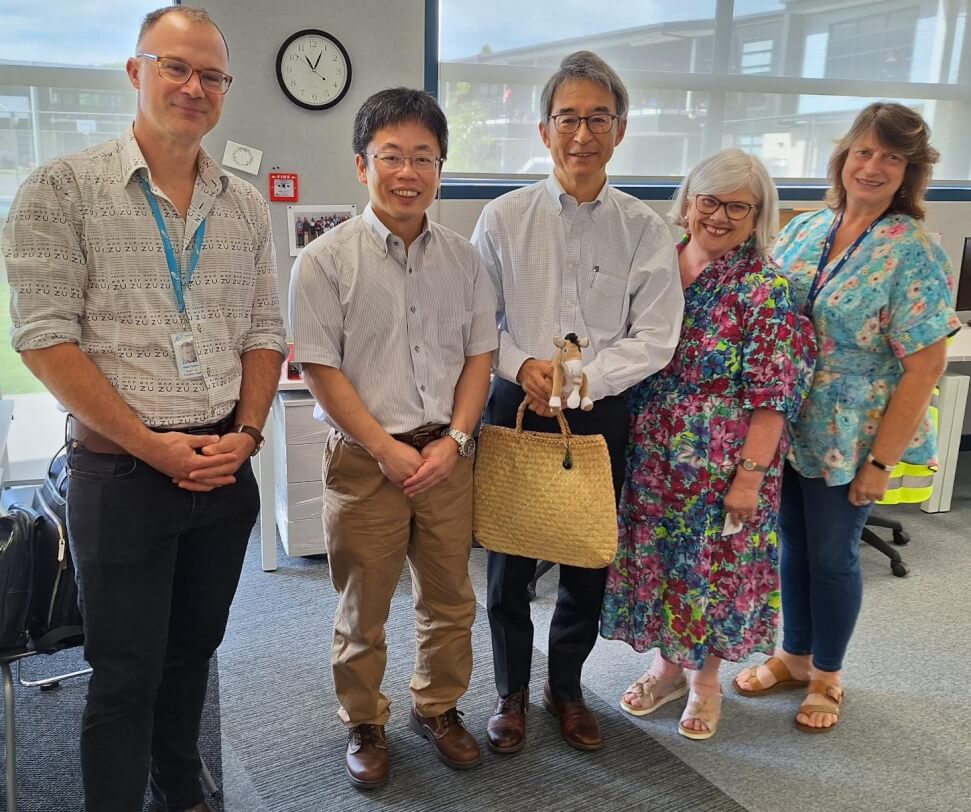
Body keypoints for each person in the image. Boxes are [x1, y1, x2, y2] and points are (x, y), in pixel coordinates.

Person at [2, 7, 287, 811]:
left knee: (193, 653)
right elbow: (45, 339)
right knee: (125, 671)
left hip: (223, 469)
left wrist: (249, 434)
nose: (193, 87)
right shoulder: (63, 189)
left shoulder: (242, 205)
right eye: (175, 67)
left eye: (210, 75)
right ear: (136, 72)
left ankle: (182, 791)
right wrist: (151, 445)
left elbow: (265, 332)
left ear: (225, 90)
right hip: (121, 472)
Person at [471, 50, 683, 754]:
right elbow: (475, 320)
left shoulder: (643, 229)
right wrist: (523, 364)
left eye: (598, 118)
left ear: (619, 130)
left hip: (600, 411)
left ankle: (565, 689)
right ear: (543, 130)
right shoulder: (502, 219)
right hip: (517, 404)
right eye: (568, 118)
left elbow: (656, 334)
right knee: (506, 557)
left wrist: (585, 377)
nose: (582, 134)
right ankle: (508, 693)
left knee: (587, 558)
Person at [289, 87, 497, 788]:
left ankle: (437, 708)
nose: (407, 173)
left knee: (450, 600)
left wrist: (456, 441)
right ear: (360, 165)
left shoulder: (466, 259)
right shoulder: (323, 260)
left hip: (446, 456)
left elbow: (479, 358)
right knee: (363, 603)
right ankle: (364, 720)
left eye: (424, 158)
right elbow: (320, 368)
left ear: (440, 167)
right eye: (391, 157)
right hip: (363, 460)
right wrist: (385, 446)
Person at [734, 102, 961, 732]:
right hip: (787, 424)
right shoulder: (807, 228)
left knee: (833, 556)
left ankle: (827, 675)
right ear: (844, 158)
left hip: (853, 435)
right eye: (864, 151)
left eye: (892, 156)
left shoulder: (912, 250)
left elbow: (924, 368)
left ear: (909, 171)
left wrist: (882, 462)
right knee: (792, 546)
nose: (874, 165)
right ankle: (793, 654)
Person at [599, 149, 816, 740]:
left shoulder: (767, 288)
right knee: (664, 564)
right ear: (688, 201)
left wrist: (749, 476)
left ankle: (706, 681)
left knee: (713, 571)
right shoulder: (655, 265)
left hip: (726, 463)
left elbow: (774, 395)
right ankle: (667, 667)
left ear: (756, 215)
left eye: (737, 207)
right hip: (650, 454)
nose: (719, 217)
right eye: (709, 200)